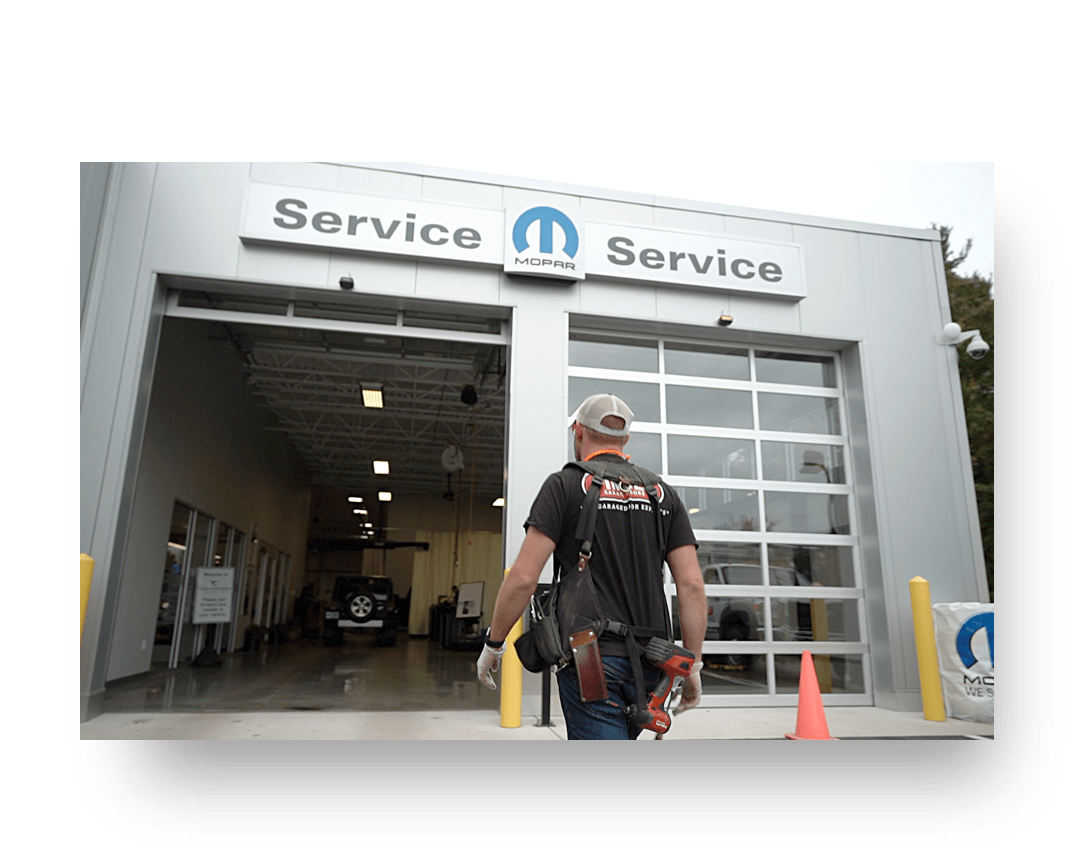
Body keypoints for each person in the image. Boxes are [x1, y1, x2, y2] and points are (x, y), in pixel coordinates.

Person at [477, 393, 707, 740]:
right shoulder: (663, 494)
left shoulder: (565, 485)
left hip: (589, 655)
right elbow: (691, 586)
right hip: (654, 660)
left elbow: (524, 577)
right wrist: (693, 666)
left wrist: (493, 644)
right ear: (625, 439)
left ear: (578, 431)